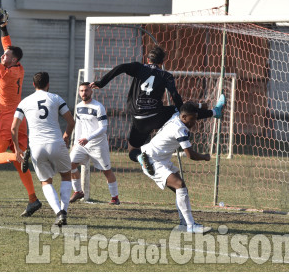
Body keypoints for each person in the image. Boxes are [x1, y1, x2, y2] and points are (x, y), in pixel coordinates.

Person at [90, 46, 225, 164]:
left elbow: (120, 68)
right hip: (157, 116)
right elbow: (175, 95)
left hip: (139, 119)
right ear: (162, 62)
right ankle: (213, 112)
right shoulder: (166, 75)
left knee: (132, 150)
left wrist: (102, 82)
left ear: (147, 59)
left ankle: (140, 159)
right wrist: (182, 109)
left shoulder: (138, 67)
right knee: (184, 111)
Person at [0, 10, 41, 217]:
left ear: (12, 60)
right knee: (20, 166)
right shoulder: (20, 68)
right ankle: (33, 199)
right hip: (21, 118)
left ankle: (22, 154)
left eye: (6, 55)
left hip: (7, 120)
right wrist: (4, 27)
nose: (3, 54)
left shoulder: (4, 72)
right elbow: (9, 47)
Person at [12, 72, 75, 227]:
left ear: (33, 85)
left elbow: (13, 128)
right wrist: (66, 135)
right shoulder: (56, 98)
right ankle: (64, 211)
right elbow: (71, 121)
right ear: (48, 84)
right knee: (66, 176)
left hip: (36, 146)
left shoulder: (25, 102)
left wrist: (17, 149)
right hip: (56, 143)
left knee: (46, 181)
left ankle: (58, 213)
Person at [139, 102, 212, 234]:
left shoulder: (176, 115)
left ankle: (184, 223)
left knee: (180, 189)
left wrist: (200, 106)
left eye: (196, 118)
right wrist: (205, 157)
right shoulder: (180, 129)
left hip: (161, 159)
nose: (195, 122)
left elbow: (186, 104)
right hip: (151, 160)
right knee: (180, 184)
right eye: (193, 119)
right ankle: (190, 226)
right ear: (184, 117)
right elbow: (190, 155)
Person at [69, 82, 120, 205]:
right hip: (82, 145)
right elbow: (79, 126)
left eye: (86, 90)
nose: (83, 93)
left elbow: (103, 128)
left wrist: (88, 138)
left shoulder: (98, 107)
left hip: (98, 145)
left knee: (106, 171)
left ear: (91, 91)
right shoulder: (79, 107)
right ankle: (78, 192)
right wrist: (76, 143)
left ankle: (115, 198)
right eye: (81, 91)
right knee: (69, 165)